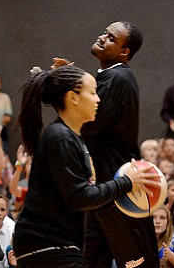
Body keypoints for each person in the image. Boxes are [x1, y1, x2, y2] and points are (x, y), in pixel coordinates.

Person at [13, 65, 159, 267]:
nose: (98, 98)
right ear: (73, 98)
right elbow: (80, 197)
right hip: (45, 243)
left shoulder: (73, 138)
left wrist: (129, 190)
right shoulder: (60, 138)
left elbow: (86, 198)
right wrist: (126, 183)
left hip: (56, 245)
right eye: (92, 92)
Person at [70, 21, 157, 268]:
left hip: (121, 188)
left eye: (110, 37)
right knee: (90, 258)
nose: (102, 37)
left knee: (138, 262)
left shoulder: (117, 77)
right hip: (105, 188)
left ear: (123, 52)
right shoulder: (109, 76)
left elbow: (88, 124)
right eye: (104, 32)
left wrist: (62, 85)